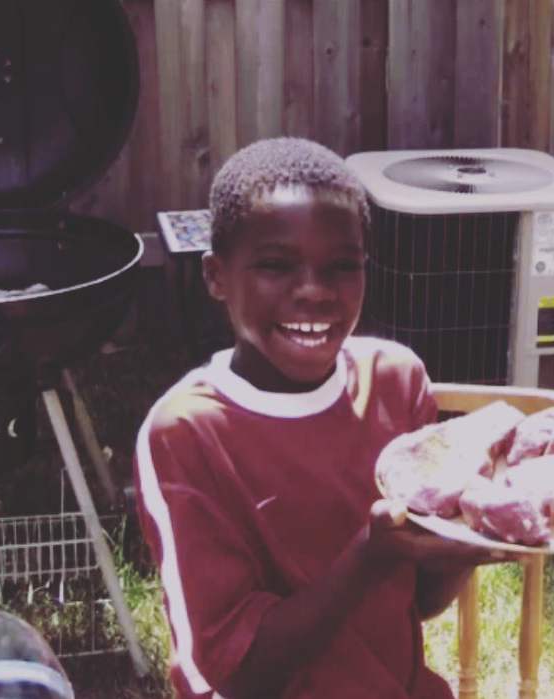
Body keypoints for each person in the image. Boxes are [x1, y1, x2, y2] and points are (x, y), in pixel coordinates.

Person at [133, 137, 506, 699]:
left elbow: (421, 601)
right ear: (215, 276)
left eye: (341, 267)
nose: (314, 292)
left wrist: (467, 544)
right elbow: (238, 681)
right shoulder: (188, 433)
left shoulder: (396, 381)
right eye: (275, 266)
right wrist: (370, 551)